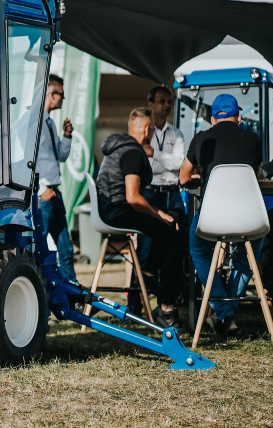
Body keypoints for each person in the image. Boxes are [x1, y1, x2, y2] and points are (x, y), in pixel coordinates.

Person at [179, 94, 263, 338]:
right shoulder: (253, 139)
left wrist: (205, 176)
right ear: (238, 117)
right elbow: (251, 174)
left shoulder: (201, 138)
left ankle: (223, 311)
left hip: (212, 218)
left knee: (199, 249)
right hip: (249, 218)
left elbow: (183, 178)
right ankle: (225, 312)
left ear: (213, 119)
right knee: (249, 251)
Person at [96, 108, 186, 328]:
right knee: (176, 235)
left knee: (163, 230)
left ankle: (147, 275)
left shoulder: (118, 148)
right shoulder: (133, 153)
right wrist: (159, 213)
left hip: (109, 210)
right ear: (147, 130)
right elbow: (134, 198)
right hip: (118, 212)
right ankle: (166, 306)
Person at [138, 85, 187, 309]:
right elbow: (147, 168)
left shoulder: (176, 133)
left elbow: (179, 164)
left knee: (176, 240)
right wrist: (163, 161)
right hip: (150, 191)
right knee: (147, 246)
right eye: (162, 101)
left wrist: (155, 153)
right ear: (151, 104)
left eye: (169, 101)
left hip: (172, 192)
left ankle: (167, 298)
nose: (167, 105)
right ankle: (135, 300)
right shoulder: (144, 131)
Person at [36, 74, 76, 281]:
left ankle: (72, 298)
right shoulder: (33, 122)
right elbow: (23, 158)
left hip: (54, 192)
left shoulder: (49, 123)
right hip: (44, 194)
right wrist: (41, 190)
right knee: (39, 251)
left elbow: (60, 155)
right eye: (61, 94)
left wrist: (67, 136)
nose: (63, 98)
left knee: (66, 249)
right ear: (52, 94)